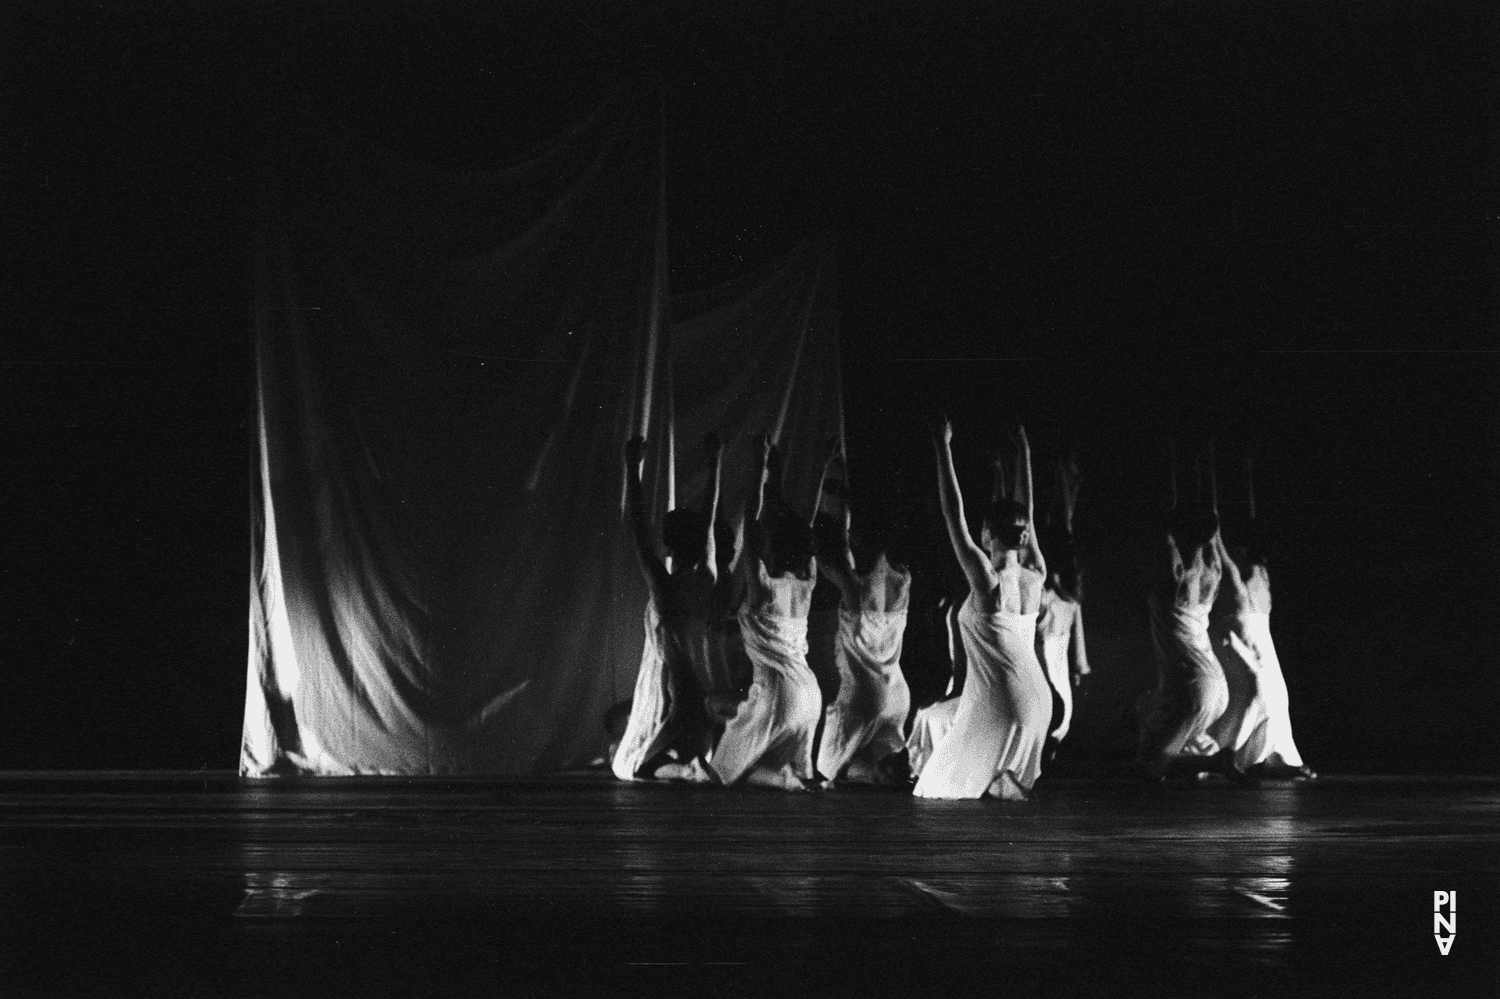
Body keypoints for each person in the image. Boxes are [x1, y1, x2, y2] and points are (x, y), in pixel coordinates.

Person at [912, 417, 1053, 800]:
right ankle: (1001, 781)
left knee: (935, 788)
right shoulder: (1035, 572)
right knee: (952, 760)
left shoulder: (986, 579)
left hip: (1004, 699)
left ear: (986, 534)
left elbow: (951, 515)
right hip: (1039, 701)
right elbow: (1030, 514)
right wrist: (1024, 452)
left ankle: (997, 780)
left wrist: (943, 448)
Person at [704, 433, 824, 790]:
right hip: (809, 697)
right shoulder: (808, 582)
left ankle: (785, 780)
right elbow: (807, 525)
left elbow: (753, 521)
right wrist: (777, 468)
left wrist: (760, 465)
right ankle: (786, 777)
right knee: (749, 760)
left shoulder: (762, 586)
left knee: (720, 774)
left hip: (778, 696)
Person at [612, 434, 724, 782]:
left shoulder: (665, 586)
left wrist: (632, 467)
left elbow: (638, 530)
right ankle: (688, 764)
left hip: (675, 682)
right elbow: (709, 518)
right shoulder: (707, 573)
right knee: (676, 743)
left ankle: (688, 770)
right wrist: (714, 464)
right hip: (702, 681)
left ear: (668, 544)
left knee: (630, 766)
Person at [1136, 441, 1243, 781]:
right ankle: (1211, 761)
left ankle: (1214, 763)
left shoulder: (1177, 576)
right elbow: (1211, 522)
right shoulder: (1214, 570)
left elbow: (1171, 522)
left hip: (1191, 686)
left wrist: (1172, 467)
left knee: (1149, 769)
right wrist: (1205, 469)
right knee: (1163, 757)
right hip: (1215, 685)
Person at [811, 437, 914, 786]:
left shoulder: (855, 588)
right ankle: (879, 772)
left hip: (864, 696)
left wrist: (828, 478)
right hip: (898, 692)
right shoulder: (902, 577)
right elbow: (845, 544)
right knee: (863, 760)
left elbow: (831, 547)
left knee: (827, 770)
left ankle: (875, 774)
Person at [1209, 459, 1315, 779]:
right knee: (1260, 695)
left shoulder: (1257, 574)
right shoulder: (1245, 574)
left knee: (1274, 696)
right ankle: (1240, 757)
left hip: (1259, 639)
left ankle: (1268, 755)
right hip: (1245, 640)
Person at [1036, 456, 1090, 756]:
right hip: (1050, 653)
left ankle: (1062, 476)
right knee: (1061, 528)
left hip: (1050, 651)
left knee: (1060, 529)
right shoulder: (1063, 593)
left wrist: (1079, 664)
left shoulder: (1062, 593)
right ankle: (1063, 477)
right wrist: (1079, 665)